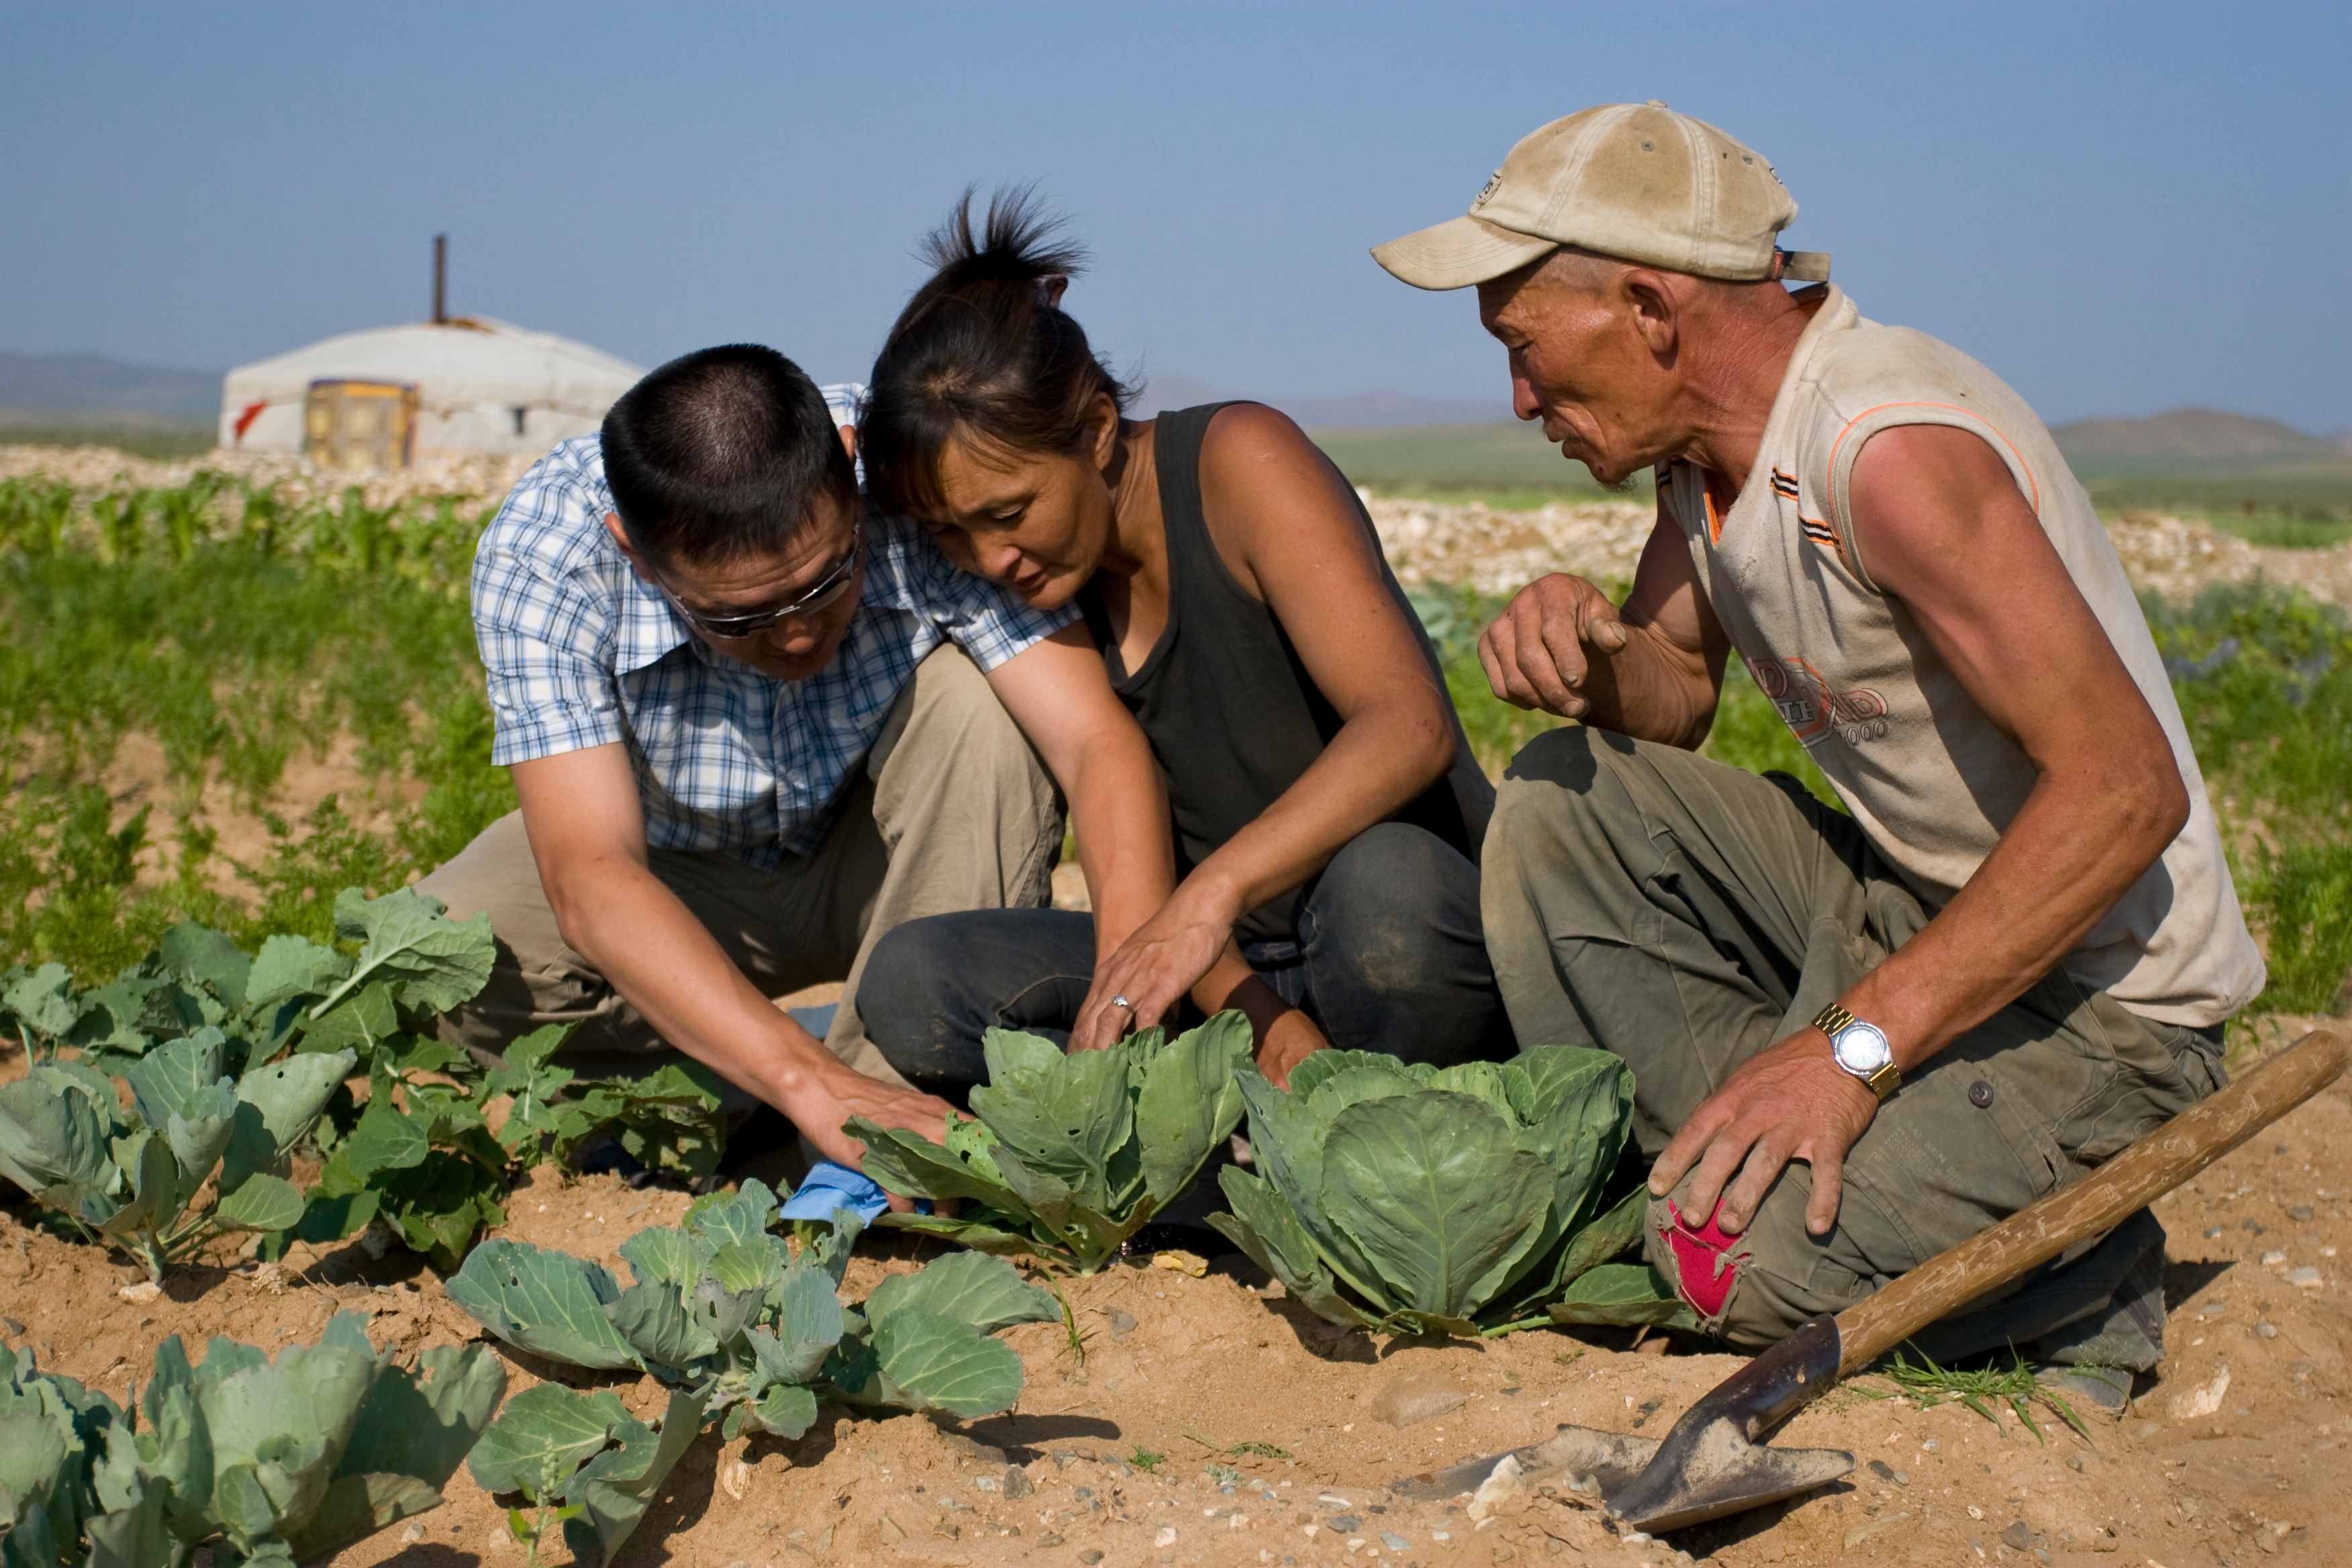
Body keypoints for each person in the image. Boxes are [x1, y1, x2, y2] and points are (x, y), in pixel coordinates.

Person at [1372, 103, 2263, 1389]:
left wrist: (1851, 1051)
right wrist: (1594, 652)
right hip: (1900, 913)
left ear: (1647, 309)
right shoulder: (1704, 455)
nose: (1517, 401)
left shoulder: (1877, 449)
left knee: (1719, 1267)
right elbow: (1675, 688)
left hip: (2096, 1003)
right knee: (1563, 799)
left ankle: (2075, 1278)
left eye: (1521, 348)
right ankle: (1761, 1148)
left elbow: (2126, 790)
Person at [416, 344, 1171, 1176]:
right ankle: (766, 1098)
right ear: (634, 551)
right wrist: (804, 1080)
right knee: (454, 943)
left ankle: (909, 1110)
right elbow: (592, 875)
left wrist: (1128, 1005)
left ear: (849, 473)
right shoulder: (547, 556)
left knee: (983, 705)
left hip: (893, 864)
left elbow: (1094, 744)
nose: (799, 633)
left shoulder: (915, 471)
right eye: (741, 618)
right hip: (680, 878)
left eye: (826, 582)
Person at [850, 192, 1510, 1099]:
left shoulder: (1239, 460)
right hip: (1223, 978)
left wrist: (1211, 900)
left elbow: (1409, 726)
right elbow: (1140, 878)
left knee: (1385, 889)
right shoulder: (1046, 586)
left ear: (1096, 429)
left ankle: (1399, 1134)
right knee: (919, 982)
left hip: (1399, 950)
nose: (989, 560)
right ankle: (1233, 1159)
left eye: (1008, 513)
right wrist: (1256, 1017)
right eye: (952, 535)